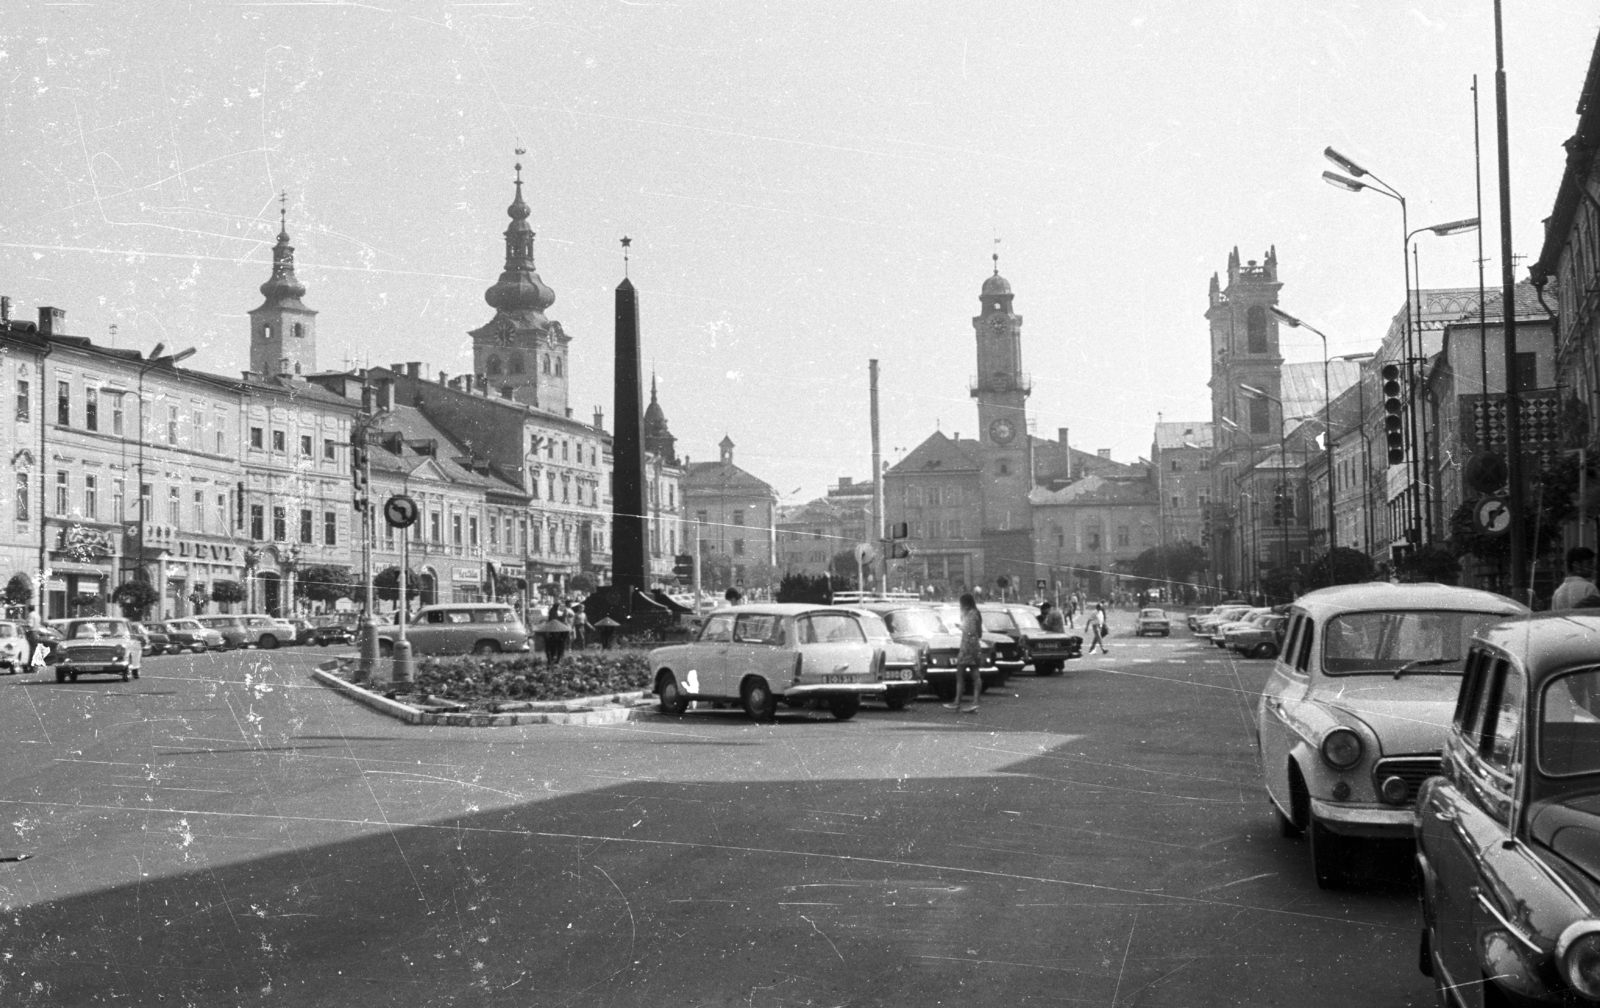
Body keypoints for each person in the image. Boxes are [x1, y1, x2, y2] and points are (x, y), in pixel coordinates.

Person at [947, 592, 983, 714]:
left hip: (967, 646)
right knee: (975, 674)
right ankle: (975, 701)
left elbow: (969, 630)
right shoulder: (976, 613)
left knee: (960, 673)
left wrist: (959, 627)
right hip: (975, 646)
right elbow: (979, 633)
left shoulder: (969, 614)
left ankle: (958, 701)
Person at [542, 599, 572, 664]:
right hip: (554, 630)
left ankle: (556, 658)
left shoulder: (556, 610)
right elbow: (554, 619)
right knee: (555, 645)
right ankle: (554, 658)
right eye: (559, 606)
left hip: (558, 629)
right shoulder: (553, 611)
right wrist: (562, 617)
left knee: (558, 645)